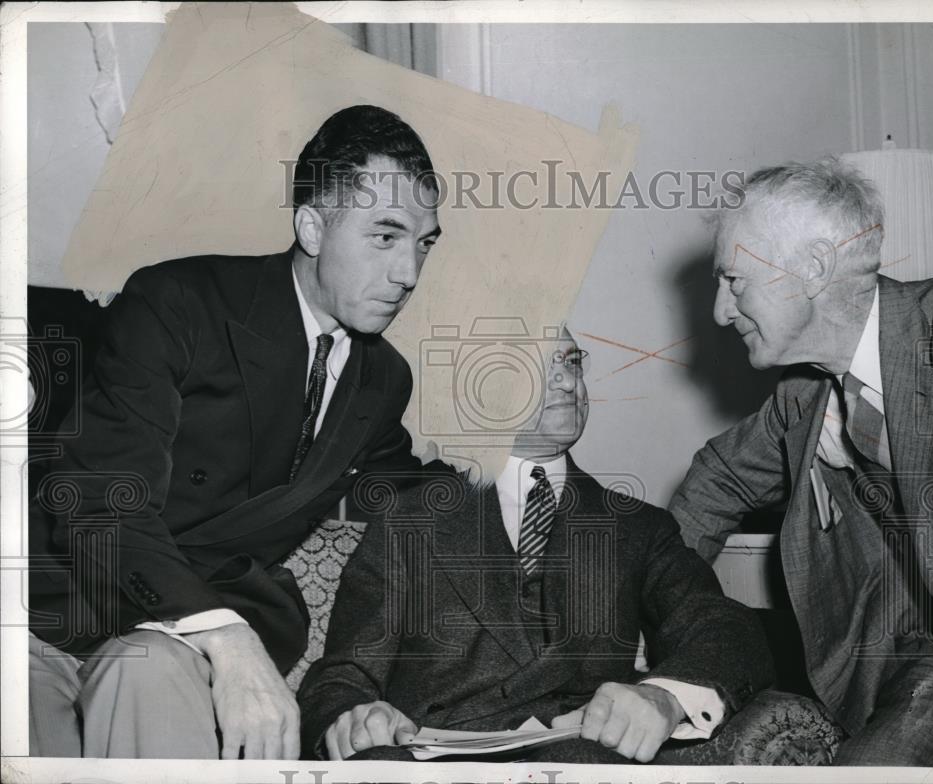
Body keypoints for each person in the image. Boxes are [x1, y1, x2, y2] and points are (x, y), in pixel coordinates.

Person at [28, 105, 442, 759]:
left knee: (147, 674)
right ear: (312, 227)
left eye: (423, 244)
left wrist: (522, 484)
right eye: (386, 237)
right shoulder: (179, 302)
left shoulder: (381, 377)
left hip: (167, 646)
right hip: (52, 616)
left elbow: (407, 484)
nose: (409, 274)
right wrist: (225, 634)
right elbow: (101, 502)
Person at [297, 328, 774, 764]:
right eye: (541, 366)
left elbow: (722, 625)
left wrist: (664, 696)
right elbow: (344, 675)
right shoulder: (408, 519)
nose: (566, 381)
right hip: (429, 760)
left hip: (579, 758)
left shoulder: (639, 528)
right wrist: (353, 717)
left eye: (572, 362)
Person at [669, 159, 933, 765]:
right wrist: (667, 621)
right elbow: (715, 482)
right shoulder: (804, 396)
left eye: (734, 281)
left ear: (813, 268)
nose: (721, 312)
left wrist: (876, 449)